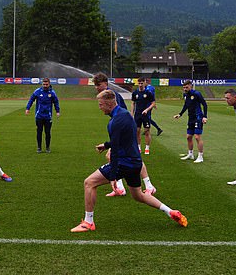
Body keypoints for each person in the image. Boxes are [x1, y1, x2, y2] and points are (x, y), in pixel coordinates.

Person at [70, 90, 187, 232]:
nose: (99, 107)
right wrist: (106, 145)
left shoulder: (114, 122)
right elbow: (121, 139)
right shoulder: (125, 114)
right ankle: (171, 211)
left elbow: (115, 152)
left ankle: (88, 222)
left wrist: (113, 176)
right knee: (138, 195)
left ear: (108, 104)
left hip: (124, 163)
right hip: (135, 162)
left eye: (101, 104)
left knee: (89, 183)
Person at [92, 73, 156, 197]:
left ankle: (148, 185)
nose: (96, 87)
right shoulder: (107, 95)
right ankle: (120, 188)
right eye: (95, 85)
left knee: (130, 157)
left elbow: (121, 113)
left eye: (98, 85)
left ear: (105, 83)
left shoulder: (111, 96)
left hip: (124, 130)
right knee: (115, 157)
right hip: (121, 129)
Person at [173, 80, 208, 163]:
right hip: (190, 118)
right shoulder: (185, 95)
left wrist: (204, 116)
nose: (185, 89)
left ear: (190, 86)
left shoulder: (196, 94)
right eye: (184, 87)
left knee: (197, 137)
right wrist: (180, 114)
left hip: (198, 117)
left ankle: (200, 156)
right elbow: (186, 105)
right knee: (188, 137)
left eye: (186, 87)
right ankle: (190, 154)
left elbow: (204, 104)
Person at [26, 78, 60, 153]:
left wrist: (57, 111)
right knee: (39, 132)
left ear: (49, 84)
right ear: (42, 84)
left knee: (48, 132)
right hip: (39, 116)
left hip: (48, 116)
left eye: (46, 84)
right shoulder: (37, 91)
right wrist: (27, 108)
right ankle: (39, 147)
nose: (45, 86)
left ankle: (47, 147)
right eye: (44, 84)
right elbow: (31, 99)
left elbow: (56, 102)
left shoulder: (52, 93)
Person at [131, 78, 155, 155]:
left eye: (142, 83)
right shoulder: (135, 93)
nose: (140, 85)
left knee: (147, 131)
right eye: (139, 83)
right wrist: (132, 113)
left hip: (145, 115)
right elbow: (133, 103)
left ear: (144, 83)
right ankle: (138, 147)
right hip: (137, 115)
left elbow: (153, 103)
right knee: (137, 131)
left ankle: (147, 148)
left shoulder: (148, 93)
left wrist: (147, 110)